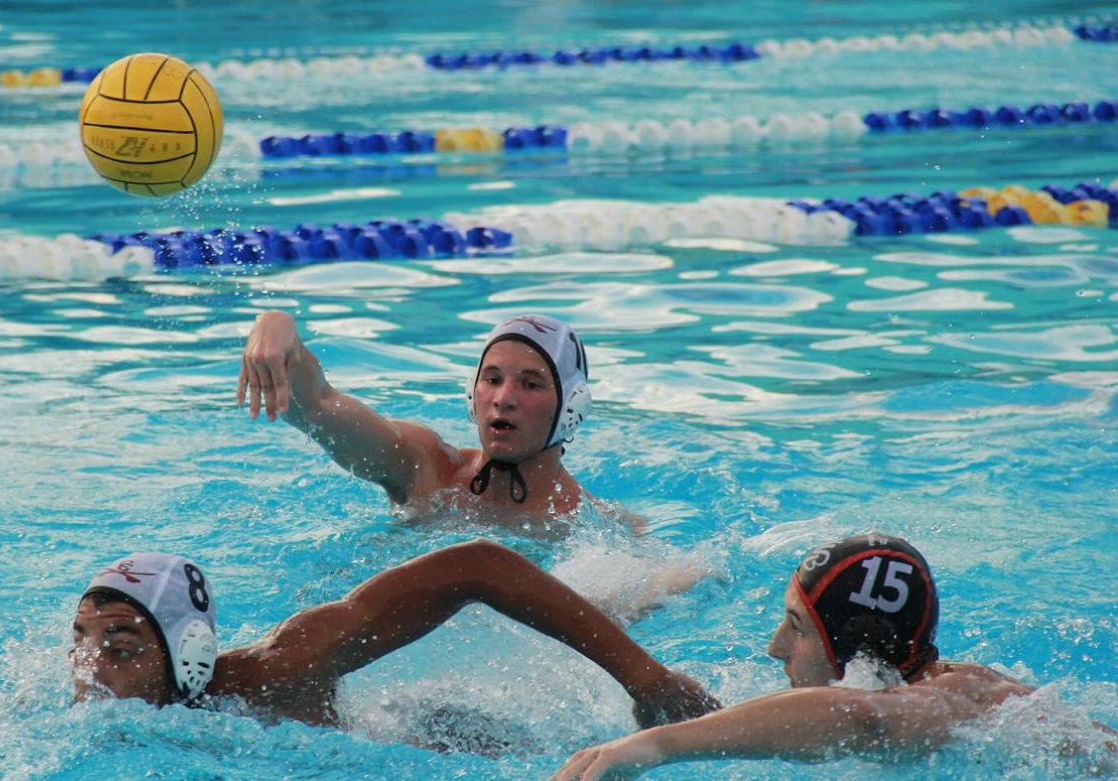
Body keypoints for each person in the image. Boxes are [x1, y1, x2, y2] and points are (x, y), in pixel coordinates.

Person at [547, 533, 1114, 780]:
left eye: (797, 627)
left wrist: (654, 748)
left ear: (855, 650)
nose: (772, 647)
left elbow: (860, 720)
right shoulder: (921, 682)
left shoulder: (952, 702)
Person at [71, 538, 720, 731]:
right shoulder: (64, 708)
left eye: (123, 647)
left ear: (188, 655)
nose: (91, 667)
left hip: (452, 736)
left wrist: (648, 679)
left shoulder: (279, 665)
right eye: (81, 641)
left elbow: (477, 564)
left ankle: (655, 580)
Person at [238, 311, 594, 524]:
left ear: (571, 406)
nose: (503, 399)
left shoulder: (589, 523)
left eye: (531, 384)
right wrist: (279, 330)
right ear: (472, 391)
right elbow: (317, 405)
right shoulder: (425, 466)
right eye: (492, 379)